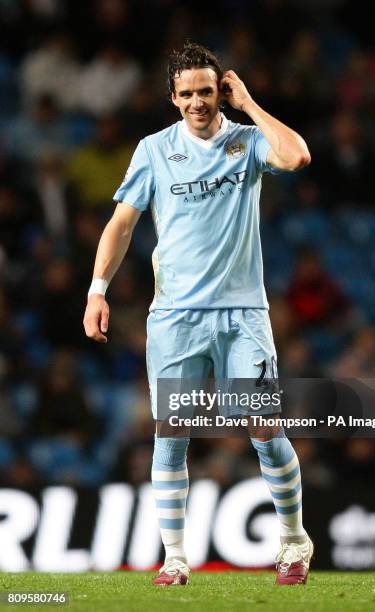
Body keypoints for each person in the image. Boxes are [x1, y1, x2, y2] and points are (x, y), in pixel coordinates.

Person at [83, 42, 313, 586]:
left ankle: (292, 542)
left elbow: (297, 156)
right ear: (173, 98)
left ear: (220, 91)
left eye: (206, 91)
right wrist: (97, 289)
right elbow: (121, 225)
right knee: (171, 433)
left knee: (263, 426)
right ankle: (175, 558)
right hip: (176, 319)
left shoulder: (246, 140)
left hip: (243, 314)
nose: (196, 102)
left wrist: (251, 104)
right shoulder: (154, 151)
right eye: (186, 94)